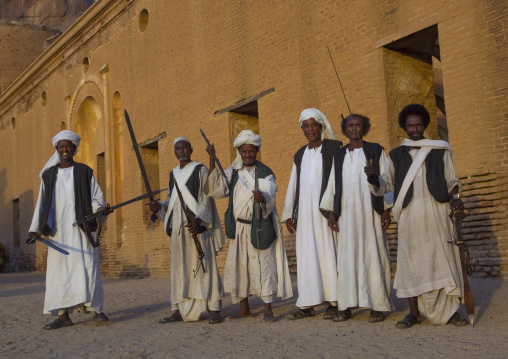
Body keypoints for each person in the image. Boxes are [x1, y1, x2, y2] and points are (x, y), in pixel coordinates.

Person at [365, 104, 468, 328]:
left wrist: (456, 196)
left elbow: (452, 180)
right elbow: (385, 184)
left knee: (443, 260)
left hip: (437, 212)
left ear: (424, 126)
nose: (414, 128)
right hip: (410, 215)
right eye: (410, 125)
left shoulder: (440, 149)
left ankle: (451, 311)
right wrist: (373, 178)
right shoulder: (396, 154)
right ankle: (414, 313)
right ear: (404, 127)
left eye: (418, 124)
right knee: (410, 262)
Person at [206, 130, 292, 323]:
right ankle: (244, 309)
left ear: (256, 151)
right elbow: (218, 188)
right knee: (240, 267)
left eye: (251, 151)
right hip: (239, 229)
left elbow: (270, 193)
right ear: (239, 152)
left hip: (259, 226)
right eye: (244, 151)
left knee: (264, 266)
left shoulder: (265, 172)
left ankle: (268, 309)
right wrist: (211, 158)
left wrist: (264, 199)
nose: (247, 155)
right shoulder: (234, 171)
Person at [29, 130, 109, 330]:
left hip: (82, 229)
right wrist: (35, 228)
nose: (65, 149)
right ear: (57, 148)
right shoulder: (48, 175)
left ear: (74, 148)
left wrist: (99, 209)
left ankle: (96, 310)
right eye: (62, 146)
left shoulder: (84, 171)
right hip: (58, 233)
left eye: (68, 146)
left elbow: (96, 197)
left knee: (88, 267)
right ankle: (63, 315)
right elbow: (41, 203)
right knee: (60, 273)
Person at [320, 114, 393, 323]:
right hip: (347, 215)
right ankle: (345, 306)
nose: (354, 128)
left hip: (371, 213)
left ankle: (377, 306)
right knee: (346, 259)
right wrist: (332, 211)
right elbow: (333, 184)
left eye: (358, 125)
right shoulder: (339, 155)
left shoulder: (376, 150)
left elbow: (387, 181)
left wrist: (386, 209)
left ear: (364, 128)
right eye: (350, 125)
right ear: (345, 128)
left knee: (374, 255)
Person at [149, 137, 225, 324]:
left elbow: (206, 196)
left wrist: (199, 220)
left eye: (184, 148)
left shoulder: (200, 169)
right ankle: (177, 309)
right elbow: (170, 200)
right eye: (178, 149)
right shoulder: (172, 174)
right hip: (179, 228)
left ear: (190, 150)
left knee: (203, 264)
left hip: (196, 225)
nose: (181, 151)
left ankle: (214, 308)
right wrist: (159, 206)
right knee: (180, 266)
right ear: (174, 152)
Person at [281, 108, 342, 320]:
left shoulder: (335, 147)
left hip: (326, 213)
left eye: (313, 125)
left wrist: (336, 208)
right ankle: (307, 304)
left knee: (328, 255)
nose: (310, 129)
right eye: (306, 126)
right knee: (307, 257)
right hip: (305, 216)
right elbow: (293, 184)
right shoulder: (300, 154)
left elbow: (339, 179)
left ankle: (334, 302)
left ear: (321, 126)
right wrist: (289, 214)